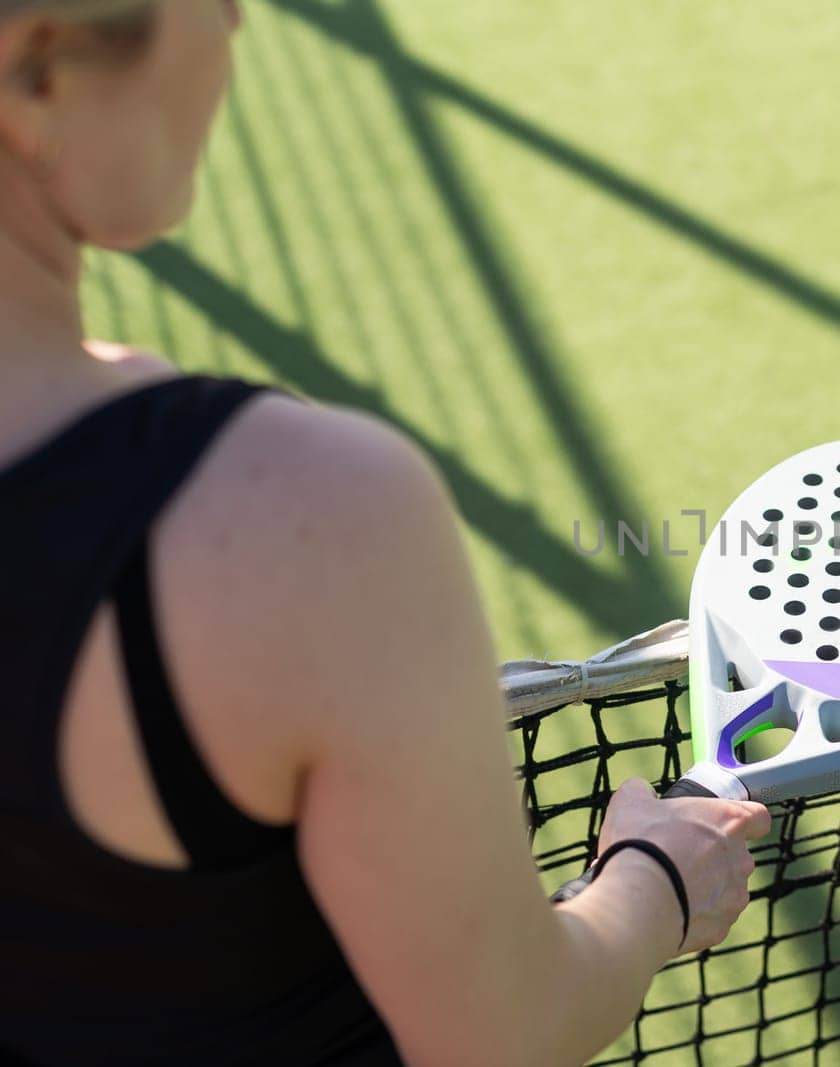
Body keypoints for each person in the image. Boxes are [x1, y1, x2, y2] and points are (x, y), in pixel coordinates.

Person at [0, 2, 770, 1063]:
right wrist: (658, 880)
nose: (234, 23)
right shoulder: (294, 512)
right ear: (39, 69)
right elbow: (500, 1032)